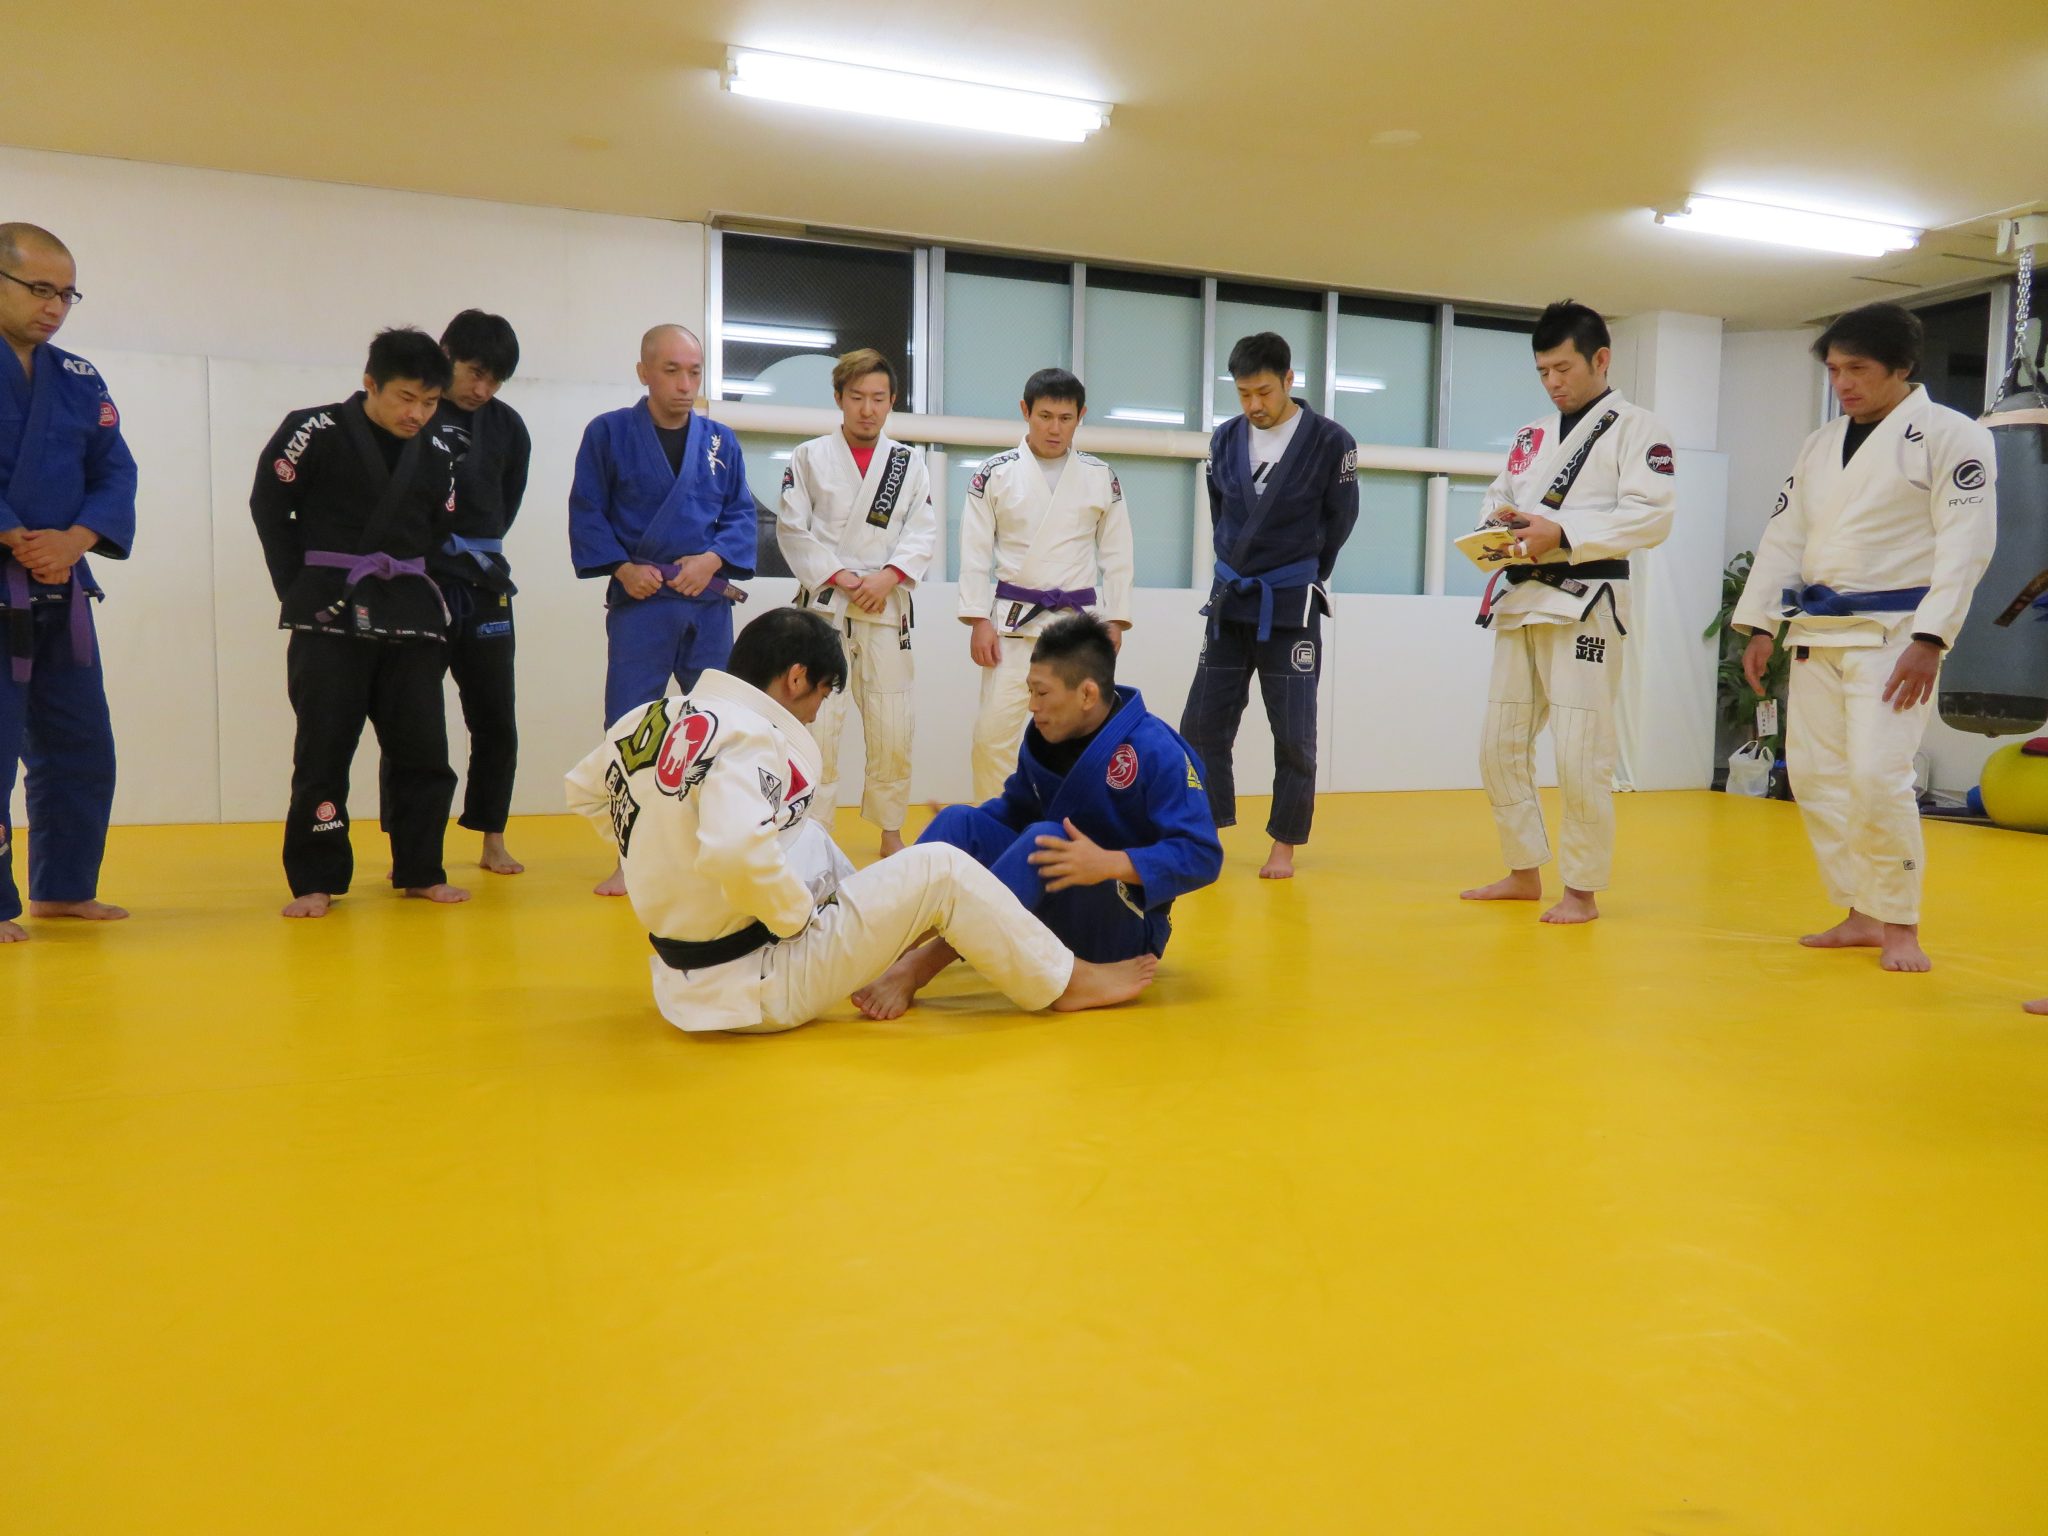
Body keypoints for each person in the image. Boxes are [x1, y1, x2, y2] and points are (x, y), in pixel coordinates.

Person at [564, 607, 1156, 1033]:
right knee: (943, 869)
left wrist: (663, 859)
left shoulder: (655, 715)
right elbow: (736, 852)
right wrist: (795, 919)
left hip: (682, 978)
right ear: (796, 678)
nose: (815, 712)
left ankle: (880, 946)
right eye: (821, 695)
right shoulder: (750, 735)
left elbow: (586, 793)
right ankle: (1066, 981)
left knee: (809, 836)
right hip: (756, 983)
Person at [1734, 301, 1996, 973]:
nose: (1842, 383)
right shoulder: (1820, 444)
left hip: (1896, 635)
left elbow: (1966, 544)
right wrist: (1760, 623)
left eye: (1857, 369)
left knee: (1879, 778)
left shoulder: (1952, 435)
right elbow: (1784, 536)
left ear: (1901, 367)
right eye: (1833, 370)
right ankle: (1862, 911)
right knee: (1816, 778)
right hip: (1816, 633)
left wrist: (1932, 639)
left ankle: (1902, 922)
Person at [857, 613, 1219, 1019]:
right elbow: (1016, 810)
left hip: (1123, 930)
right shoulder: (1046, 737)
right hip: (1057, 901)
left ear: (1087, 694)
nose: (1033, 706)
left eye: (1042, 693)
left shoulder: (1156, 749)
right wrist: (971, 831)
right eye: (1030, 691)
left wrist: (1109, 863)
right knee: (959, 822)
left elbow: (1202, 855)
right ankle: (885, 944)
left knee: (1046, 841)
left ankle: (918, 967)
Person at [1457, 300, 1677, 925]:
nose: (1552, 382)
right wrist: (1498, 526)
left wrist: (1563, 531)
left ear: (1600, 359)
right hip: (1522, 598)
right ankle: (1523, 869)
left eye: (1563, 369)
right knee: (1499, 744)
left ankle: (1581, 888)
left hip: (1587, 600)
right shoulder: (1531, 435)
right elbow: (1499, 497)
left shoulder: (1638, 429)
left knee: (1582, 750)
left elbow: (1652, 516)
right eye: (1542, 372)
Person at [251, 327, 469, 918]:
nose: (417, 413)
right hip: (330, 610)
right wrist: (297, 588)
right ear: (370, 383)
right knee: (323, 751)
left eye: (430, 402)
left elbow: (441, 530)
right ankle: (316, 879)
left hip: (411, 613)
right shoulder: (313, 429)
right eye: (405, 397)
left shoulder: (442, 449)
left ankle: (421, 869)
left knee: (424, 750)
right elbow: (269, 505)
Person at [569, 324, 755, 895]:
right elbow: (588, 510)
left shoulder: (721, 441)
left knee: (718, 725)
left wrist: (714, 558)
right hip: (642, 603)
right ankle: (630, 856)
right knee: (630, 728)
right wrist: (622, 568)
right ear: (644, 372)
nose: (684, 384)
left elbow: (741, 514)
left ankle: (714, 851)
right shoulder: (607, 433)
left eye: (694, 372)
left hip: (706, 603)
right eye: (671, 370)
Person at [1179, 331, 1358, 880]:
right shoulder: (1225, 438)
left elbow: (1341, 519)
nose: (1254, 405)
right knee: (1200, 724)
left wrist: (1304, 572)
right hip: (1232, 597)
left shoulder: (1331, 441)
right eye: (1243, 394)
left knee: (1294, 732)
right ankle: (1206, 829)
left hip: (1291, 603)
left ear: (1288, 380)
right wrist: (1236, 562)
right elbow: (1221, 511)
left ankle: (1284, 842)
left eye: (1263, 392)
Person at [0, 222, 136, 944]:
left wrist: (76, 539)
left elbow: (115, 470)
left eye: (66, 294)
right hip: (7, 575)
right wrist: (15, 535)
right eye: (39, 289)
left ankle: (64, 887)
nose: (54, 307)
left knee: (80, 744)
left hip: (62, 585)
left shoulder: (80, 378)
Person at [774, 348, 935, 857]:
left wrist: (887, 577)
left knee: (893, 726)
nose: (868, 409)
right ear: (839, 398)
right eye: (858, 397)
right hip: (824, 609)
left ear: (892, 401)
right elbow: (792, 529)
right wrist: (843, 576)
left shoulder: (908, 463)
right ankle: (812, 834)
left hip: (885, 609)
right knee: (817, 727)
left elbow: (922, 531)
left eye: (879, 398)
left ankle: (890, 832)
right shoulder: (809, 457)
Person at [957, 367, 1133, 801]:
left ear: (1081, 416)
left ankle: (1071, 822)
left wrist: (1116, 619)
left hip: (1076, 627)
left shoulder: (1100, 476)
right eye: (1045, 416)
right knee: (992, 737)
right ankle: (996, 821)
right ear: (1025, 411)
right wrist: (978, 619)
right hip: (1012, 625)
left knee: (1079, 735)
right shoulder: (993, 473)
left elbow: (1117, 554)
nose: (1055, 428)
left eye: (1066, 418)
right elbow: (974, 552)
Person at [417, 309, 531, 876]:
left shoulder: (508, 427)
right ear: (447, 356)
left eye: (495, 379)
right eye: (475, 373)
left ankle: (492, 838)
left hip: (485, 582)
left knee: (496, 720)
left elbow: (507, 504)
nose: (483, 389)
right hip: (420, 581)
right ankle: (414, 846)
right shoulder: (415, 413)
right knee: (413, 720)